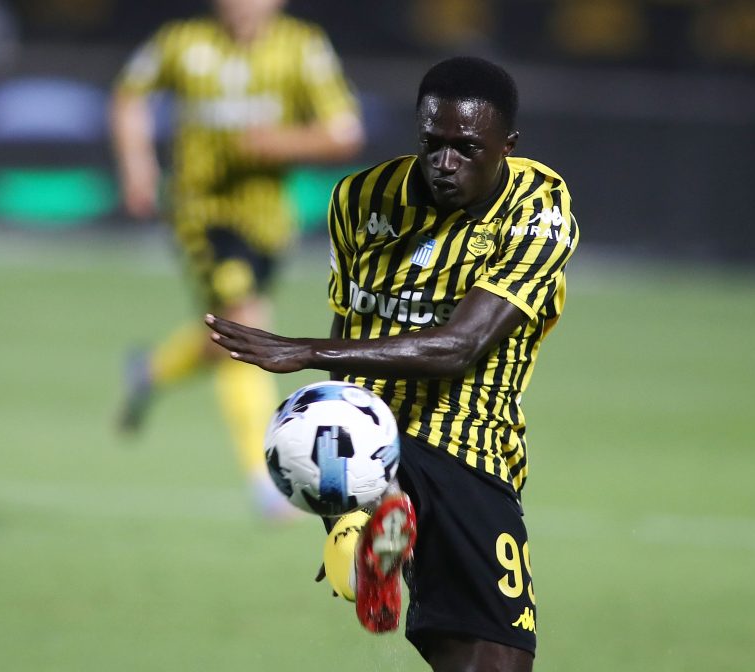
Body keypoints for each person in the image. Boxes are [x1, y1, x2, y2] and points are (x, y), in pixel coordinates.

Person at [207, 57, 579, 671]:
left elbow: (460, 346)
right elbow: (349, 321)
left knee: (481, 659)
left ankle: (374, 529)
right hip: (420, 444)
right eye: (432, 143)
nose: (445, 162)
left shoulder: (536, 205)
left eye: (467, 148)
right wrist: (338, 463)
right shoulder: (360, 199)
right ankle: (369, 513)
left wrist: (306, 352)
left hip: (472, 442)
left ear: (507, 146)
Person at [110, 0, 364, 517]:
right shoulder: (182, 41)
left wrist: (281, 142)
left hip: (268, 220)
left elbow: (344, 133)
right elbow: (128, 96)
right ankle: (265, 477)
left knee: (225, 331)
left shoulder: (302, 46)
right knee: (245, 324)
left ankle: (151, 371)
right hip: (201, 213)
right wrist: (138, 165)